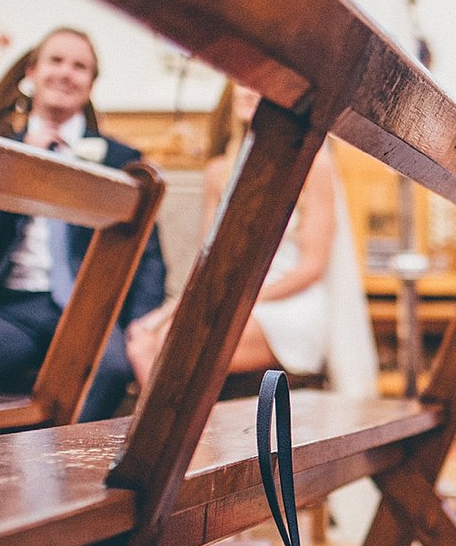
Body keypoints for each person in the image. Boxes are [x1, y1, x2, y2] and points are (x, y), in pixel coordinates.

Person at [0, 29, 165, 422]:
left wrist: (142, 323)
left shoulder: (121, 159)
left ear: (91, 83)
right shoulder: (1, 149)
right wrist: (19, 168)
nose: (66, 73)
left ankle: (66, 474)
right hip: (12, 307)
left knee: (108, 369)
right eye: (56, 61)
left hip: (87, 309)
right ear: (32, 71)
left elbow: (149, 254)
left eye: (80, 66)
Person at [122, 80, 374, 396]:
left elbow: (312, 268)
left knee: (178, 345)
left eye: (260, 84)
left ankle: (191, 444)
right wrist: (167, 311)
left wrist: (241, 300)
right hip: (233, 300)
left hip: (290, 303)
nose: (247, 90)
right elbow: (210, 263)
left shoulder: (313, 163)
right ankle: (192, 444)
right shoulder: (218, 171)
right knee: (141, 342)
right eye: (241, 82)